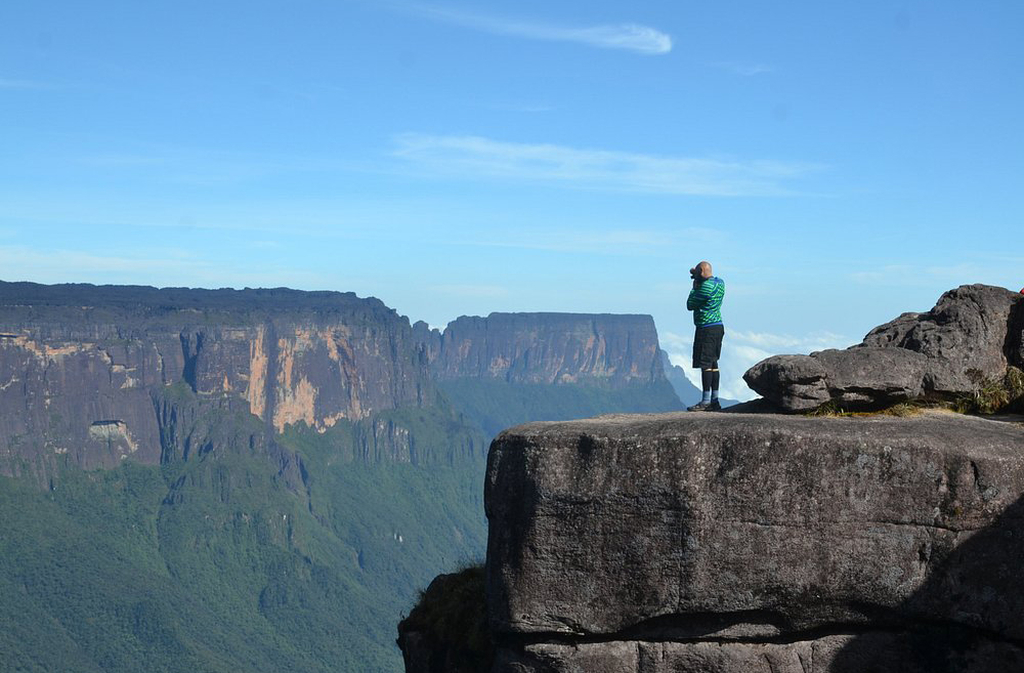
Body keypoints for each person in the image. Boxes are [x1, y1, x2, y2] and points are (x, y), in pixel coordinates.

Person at [686, 261, 725, 411]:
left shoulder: (704, 288)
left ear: (701, 272)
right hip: (718, 327)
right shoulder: (720, 283)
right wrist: (698, 275)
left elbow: (690, 304)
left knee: (706, 365)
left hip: (706, 329)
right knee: (714, 363)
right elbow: (707, 277)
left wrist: (694, 286)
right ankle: (714, 400)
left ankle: (706, 401)